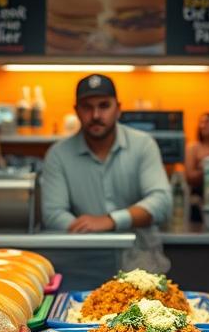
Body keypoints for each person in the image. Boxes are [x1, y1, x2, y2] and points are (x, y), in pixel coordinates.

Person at [41, 74, 172, 268]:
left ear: (118, 109)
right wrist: (90, 231)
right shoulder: (58, 154)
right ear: (77, 111)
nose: (95, 115)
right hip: (83, 265)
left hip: (142, 264)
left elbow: (162, 202)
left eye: (104, 105)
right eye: (87, 107)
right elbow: (53, 213)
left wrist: (111, 220)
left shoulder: (143, 145)